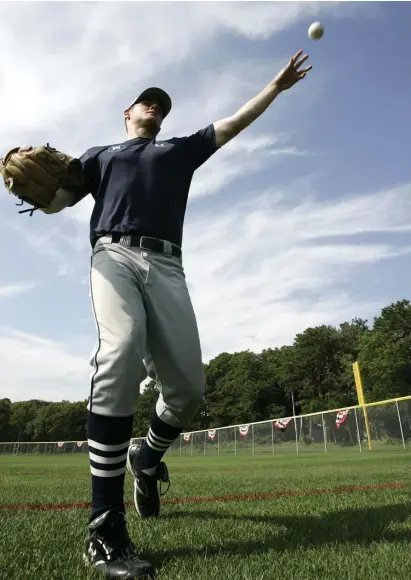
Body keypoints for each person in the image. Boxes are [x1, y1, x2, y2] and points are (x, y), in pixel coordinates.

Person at [40, 50, 312, 579]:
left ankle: (146, 458)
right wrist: (26, 187)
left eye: (161, 105)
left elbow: (233, 124)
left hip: (167, 264)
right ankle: (105, 528)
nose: (154, 107)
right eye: (146, 102)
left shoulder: (178, 150)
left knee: (188, 390)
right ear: (127, 112)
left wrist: (274, 88)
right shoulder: (98, 156)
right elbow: (57, 198)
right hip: (113, 253)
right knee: (120, 353)